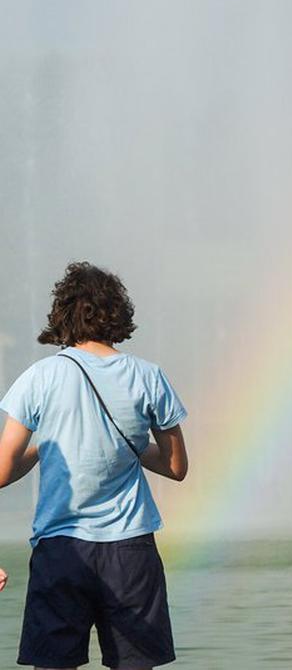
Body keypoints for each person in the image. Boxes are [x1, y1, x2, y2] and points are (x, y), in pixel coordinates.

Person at [0, 261, 188, 670]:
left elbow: (1, 470)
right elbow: (175, 466)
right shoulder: (148, 376)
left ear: (62, 312)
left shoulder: (39, 377)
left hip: (61, 548)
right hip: (131, 548)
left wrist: (45, 446)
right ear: (118, 312)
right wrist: (132, 446)